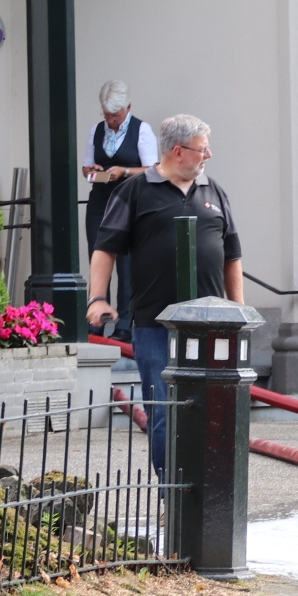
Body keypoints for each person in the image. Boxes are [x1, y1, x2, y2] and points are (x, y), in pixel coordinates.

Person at [86, 114, 242, 477]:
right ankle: (173, 494)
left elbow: (232, 254)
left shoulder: (214, 191)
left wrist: (237, 311)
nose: (209, 155)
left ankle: (208, 485)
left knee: (213, 407)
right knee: (164, 408)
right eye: (203, 149)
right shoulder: (135, 191)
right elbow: (105, 248)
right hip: (155, 325)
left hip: (212, 325)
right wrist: (98, 298)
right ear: (178, 151)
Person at [82, 81, 159, 338]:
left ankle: (125, 324)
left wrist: (124, 171)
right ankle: (96, 319)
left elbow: (153, 169)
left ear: (128, 108)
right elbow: (86, 166)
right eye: (107, 115)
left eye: (115, 115)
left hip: (130, 202)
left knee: (126, 263)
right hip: (101, 201)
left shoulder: (142, 130)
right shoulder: (97, 130)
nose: (111, 121)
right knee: (98, 257)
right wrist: (92, 171)